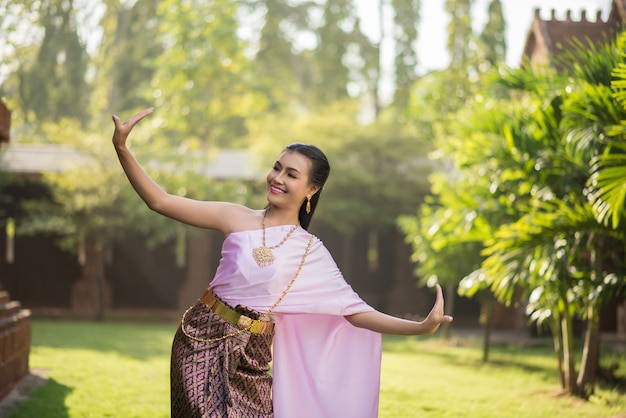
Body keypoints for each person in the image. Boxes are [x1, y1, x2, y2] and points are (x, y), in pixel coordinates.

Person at [111, 107, 453, 418]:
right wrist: (123, 149)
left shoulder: (311, 252)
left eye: (291, 174)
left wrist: (420, 327)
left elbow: (353, 311)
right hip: (201, 339)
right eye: (277, 167)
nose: (277, 178)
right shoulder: (236, 217)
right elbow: (160, 200)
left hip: (254, 355)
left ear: (311, 189)